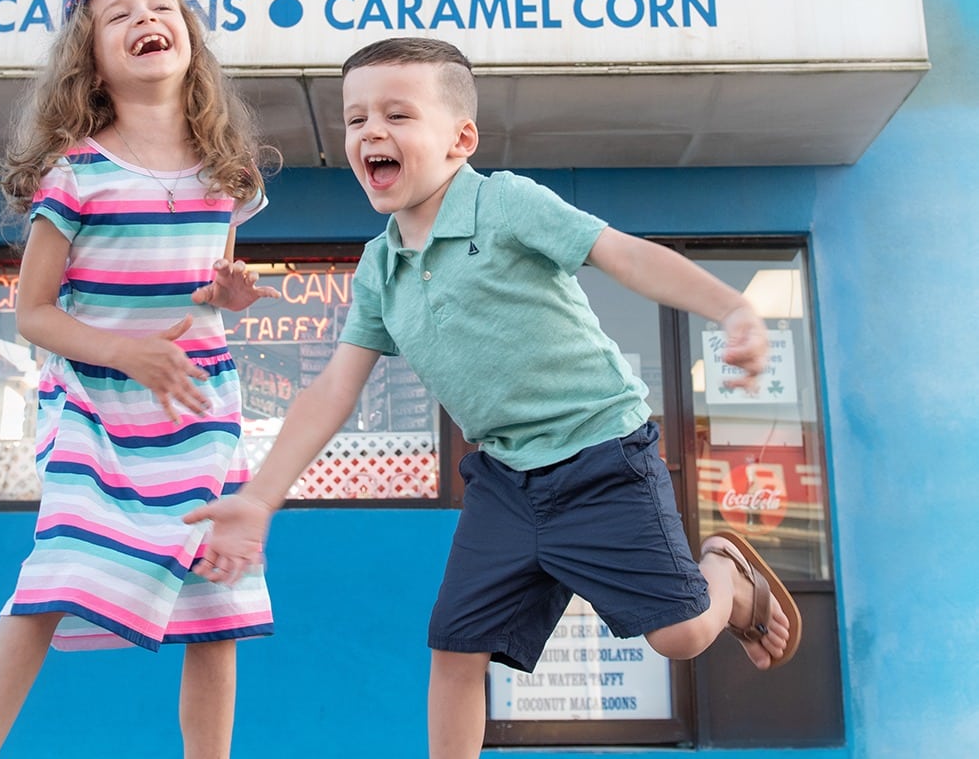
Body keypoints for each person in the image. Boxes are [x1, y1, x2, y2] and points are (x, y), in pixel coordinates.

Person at [185, 37, 802, 759]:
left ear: (460, 139)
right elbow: (331, 388)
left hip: (600, 455)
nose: (370, 133)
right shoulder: (379, 268)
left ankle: (725, 574)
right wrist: (260, 496)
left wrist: (730, 307)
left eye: (396, 114)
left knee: (681, 634)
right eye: (355, 120)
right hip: (505, 479)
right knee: (454, 646)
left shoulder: (502, 202)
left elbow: (623, 254)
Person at [0, 0, 280, 759]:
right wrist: (121, 351)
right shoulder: (76, 174)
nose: (145, 18)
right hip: (95, 411)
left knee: (215, 602)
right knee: (49, 577)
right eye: (119, 15)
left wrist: (227, 294)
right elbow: (33, 312)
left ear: (189, 39)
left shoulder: (224, 176)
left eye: (162, 7)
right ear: (92, 60)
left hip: (193, 410)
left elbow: (205, 286)